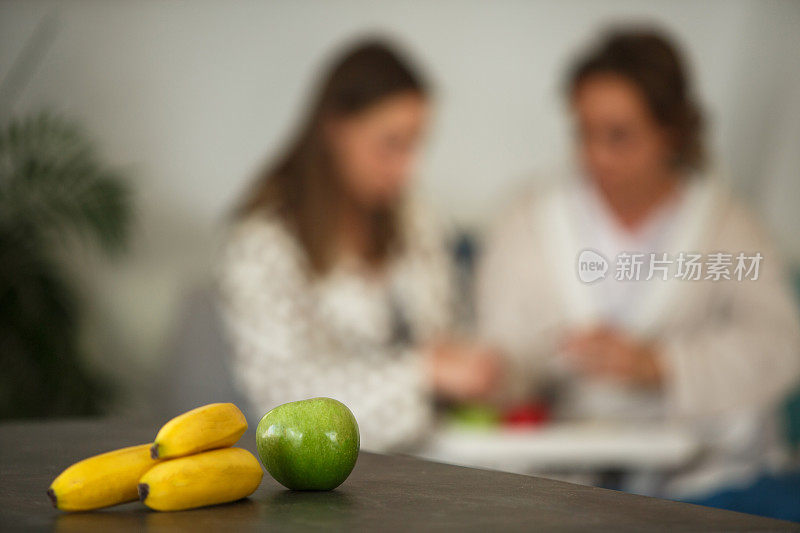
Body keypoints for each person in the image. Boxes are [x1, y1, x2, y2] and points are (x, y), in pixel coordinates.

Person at [477, 28, 800, 500]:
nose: (597, 156)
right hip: (561, 472)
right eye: (584, 133)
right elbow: (502, 350)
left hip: (702, 478)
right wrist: (514, 367)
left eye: (619, 136)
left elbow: (777, 345)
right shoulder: (525, 222)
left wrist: (660, 364)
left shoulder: (729, 228)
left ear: (671, 133)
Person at [218, 40, 499, 452]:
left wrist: (476, 365)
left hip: (440, 462)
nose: (408, 167)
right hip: (322, 473)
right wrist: (423, 372)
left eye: (417, 144)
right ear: (335, 129)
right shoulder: (259, 245)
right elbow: (285, 401)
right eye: (391, 143)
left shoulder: (417, 219)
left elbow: (445, 334)